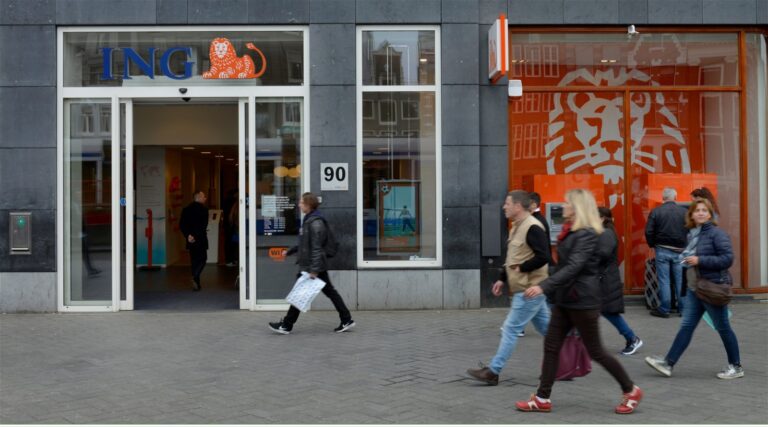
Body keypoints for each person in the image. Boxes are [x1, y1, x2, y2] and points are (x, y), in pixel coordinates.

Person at [515, 189, 642, 415]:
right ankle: (542, 398)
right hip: (566, 299)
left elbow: (574, 267)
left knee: (596, 351)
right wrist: (536, 278)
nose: (563, 205)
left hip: (583, 300)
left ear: (577, 207)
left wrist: (543, 286)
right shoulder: (571, 231)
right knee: (551, 346)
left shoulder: (587, 234)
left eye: (567, 202)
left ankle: (631, 390)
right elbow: (563, 267)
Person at [645, 198, 743, 380]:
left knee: (723, 327)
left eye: (704, 210)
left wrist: (700, 260)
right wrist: (688, 261)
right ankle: (668, 364)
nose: (700, 213)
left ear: (710, 214)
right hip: (694, 288)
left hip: (711, 288)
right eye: (697, 210)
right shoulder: (691, 234)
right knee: (687, 326)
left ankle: (736, 366)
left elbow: (727, 259)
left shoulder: (716, 234)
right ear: (691, 215)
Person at [465, 190, 551, 385]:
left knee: (510, 329)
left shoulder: (533, 227)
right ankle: (568, 360)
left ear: (518, 206)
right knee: (550, 330)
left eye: (507, 203)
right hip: (524, 288)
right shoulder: (517, 227)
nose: (504, 207)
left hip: (529, 290)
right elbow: (513, 258)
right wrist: (502, 279)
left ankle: (493, 371)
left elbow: (544, 256)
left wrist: (522, 268)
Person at [269, 192, 355, 334]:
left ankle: (287, 325)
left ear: (308, 204)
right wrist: (290, 251)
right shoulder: (309, 220)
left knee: (301, 294)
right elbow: (305, 243)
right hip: (313, 265)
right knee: (328, 293)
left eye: (301, 202)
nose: (299, 205)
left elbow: (316, 248)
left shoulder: (315, 223)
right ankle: (346, 319)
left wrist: (314, 270)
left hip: (312, 266)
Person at [597, 207, 643, 356]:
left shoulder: (607, 234)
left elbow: (602, 254)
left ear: (602, 218)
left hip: (606, 280)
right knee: (594, 311)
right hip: (604, 279)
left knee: (608, 312)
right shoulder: (604, 233)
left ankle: (632, 338)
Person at [645, 187, 688, 318]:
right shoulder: (684, 212)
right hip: (680, 251)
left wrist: (652, 244)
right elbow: (690, 230)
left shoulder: (656, 211)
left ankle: (665, 309)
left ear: (663, 198)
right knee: (680, 281)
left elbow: (648, 231)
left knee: (664, 280)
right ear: (675, 197)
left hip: (662, 249)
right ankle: (683, 309)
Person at [179, 190, 209, 291]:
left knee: (194, 260)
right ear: (199, 197)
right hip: (200, 239)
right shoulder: (204, 210)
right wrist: (195, 236)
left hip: (190, 240)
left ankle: (197, 283)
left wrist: (188, 236)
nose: (205, 198)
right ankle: (195, 277)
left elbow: (182, 225)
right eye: (204, 196)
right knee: (203, 259)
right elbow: (203, 226)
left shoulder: (186, 209)